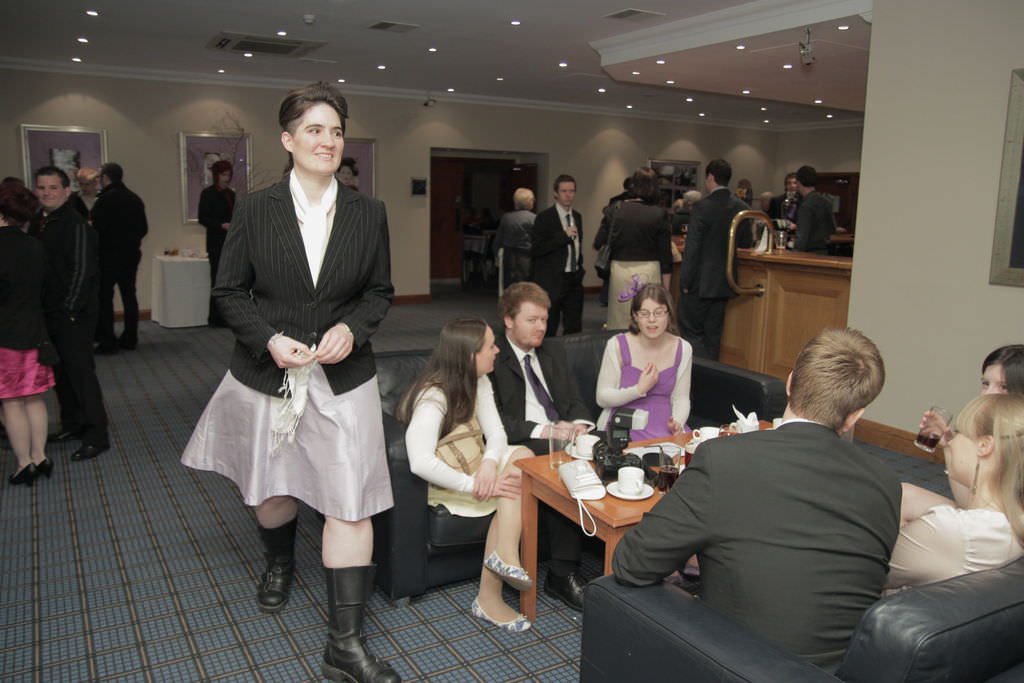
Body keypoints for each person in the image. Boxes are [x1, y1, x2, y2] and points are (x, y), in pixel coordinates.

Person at [180, 82, 399, 683]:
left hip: (343, 378)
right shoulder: (255, 209)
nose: (328, 141)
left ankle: (344, 646)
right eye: (314, 130)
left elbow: (379, 291)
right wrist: (268, 339)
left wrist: (353, 328)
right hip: (269, 375)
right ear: (288, 139)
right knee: (273, 490)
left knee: (350, 502)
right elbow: (229, 291)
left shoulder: (369, 213)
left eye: (336, 131)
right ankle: (279, 562)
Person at [613, 327, 899, 673]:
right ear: (855, 415)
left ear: (790, 383)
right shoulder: (886, 483)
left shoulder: (723, 459)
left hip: (737, 664)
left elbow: (632, 563)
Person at [398, 318, 535, 631]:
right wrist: (474, 484)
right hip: (450, 484)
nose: (497, 350)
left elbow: (497, 434)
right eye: (491, 346)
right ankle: (489, 595)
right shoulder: (433, 397)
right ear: (470, 355)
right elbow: (420, 462)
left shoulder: (479, 379)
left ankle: (504, 554)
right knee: (510, 492)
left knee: (523, 459)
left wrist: (489, 464)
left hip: (477, 467)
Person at [489, 282, 594, 610]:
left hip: (562, 434)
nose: (541, 328)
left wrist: (580, 425)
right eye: (532, 320)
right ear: (509, 320)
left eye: (544, 320)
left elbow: (574, 400)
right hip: (520, 440)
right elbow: (496, 420)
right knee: (560, 467)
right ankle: (562, 574)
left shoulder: (553, 351)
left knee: (610, 448)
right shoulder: (492, 355)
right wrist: (547, 430)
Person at [888, 394, 1024, 591]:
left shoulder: (953, 530)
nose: (952, 440)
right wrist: (948, 445)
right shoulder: (1013, 516)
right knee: (905, 493)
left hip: (889, 601)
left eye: (958, 432)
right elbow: (970, 500)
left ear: (984, 446)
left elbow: (875, 570)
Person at [28, 166, 109, 462]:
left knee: (80, 374)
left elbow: (83, 270)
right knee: (60, 373)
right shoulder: (38, 221)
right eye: (41, 187)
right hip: (48, 311)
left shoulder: (75, 224)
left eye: (53, 187)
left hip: (73, 313)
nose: (46, 193)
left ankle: (96, 435)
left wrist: (70, 309)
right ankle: (72, 424)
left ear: (65, 191)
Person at [0, 181, 55, 485]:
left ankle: (24, 464)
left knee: (11, 402)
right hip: (35, 330)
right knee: (34, 398)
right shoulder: (35, 245)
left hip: (5, 335)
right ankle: (40, 456)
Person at [596, 284, 692, 440]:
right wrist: (639, 389)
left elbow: (681, 398)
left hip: (664, 425)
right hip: (625, 424)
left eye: (659, 313)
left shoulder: (683, 348)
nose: (652, 320)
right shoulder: (617, 345)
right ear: (635, 316)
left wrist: (677, 423)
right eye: (644, 313)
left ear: (668, 315)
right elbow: (602, 397)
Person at [677, 158, 749, 360]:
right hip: (725, 281)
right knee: (713, 335)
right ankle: (712, 372)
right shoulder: (741, 207)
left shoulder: (702, 207)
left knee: (691, 332)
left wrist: (685, 281)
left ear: (710, 177)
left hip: (699, 282)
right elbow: (745, 242)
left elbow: (693, 248)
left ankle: (696, 373)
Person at [605, 167, 673, 331]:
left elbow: (601, 240)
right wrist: (666, 289)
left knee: (619, 318)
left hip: (620, 270)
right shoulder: (659, 214)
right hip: (649, 270)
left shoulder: (615, 210)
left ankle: (619, 346)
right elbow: (665, 255)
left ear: (633, 185)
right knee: (648, 316)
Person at [92, 162, 148, 352]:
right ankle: (130, 338)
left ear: (106, 177)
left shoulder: (103, 200)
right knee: (129, 295)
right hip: (130, 254)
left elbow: (97, 230)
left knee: (105, 296)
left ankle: (108, 340)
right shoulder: (134, 199)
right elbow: (143, 229)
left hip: (107, 255)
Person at [530, 174, 584, 336]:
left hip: (574, 279)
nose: (568, 195)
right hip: (552, 280)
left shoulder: (577, 217)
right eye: (564, 191)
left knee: (574, 326)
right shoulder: (545, 217)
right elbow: (537, 249)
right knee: (549, 326)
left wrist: (579, 269)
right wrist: (563, 236)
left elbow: (577, 247)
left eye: (571, 191)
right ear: (556, 193)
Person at [198, 159, 235, 327]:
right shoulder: (208, 194)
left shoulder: (231, 194)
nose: (226, 178)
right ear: (216, 176)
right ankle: (215, 317)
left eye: (228, 175)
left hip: (230, 243)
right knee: (217, 281)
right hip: (216, 243)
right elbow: (203, 218)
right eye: (223, 175)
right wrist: (221, 225)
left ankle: (226, 315)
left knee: (228, 282)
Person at [492, 187, 535, 291]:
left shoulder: (506, 217)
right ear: (529, 201)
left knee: (509, 288)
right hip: (527, 258)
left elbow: (498, 239)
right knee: (526, 289)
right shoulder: (534, 218)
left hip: (509, 257)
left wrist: (496, 256)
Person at [792, 165, 835, 254]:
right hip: (826, 250)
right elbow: (832, 227)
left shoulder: (806, 205)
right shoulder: (826, 201)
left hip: (809, 253)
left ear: (799, 182)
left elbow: (802, 237)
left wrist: (794, 254)